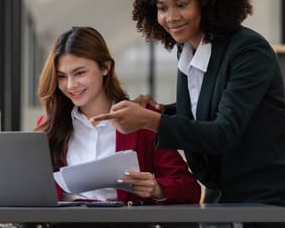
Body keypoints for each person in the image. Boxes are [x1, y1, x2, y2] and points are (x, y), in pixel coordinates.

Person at [91, 0, 285, 228]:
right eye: (162, 8)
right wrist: (158, 110)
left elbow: (223, 132)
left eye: (181, 4)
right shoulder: (189, 52)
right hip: (224, 197)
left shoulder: (248, 51)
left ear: (208, 1)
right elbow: (202, 108)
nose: (171, 17)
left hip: (266, 199)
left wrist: (150, 120)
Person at [34, 26, 201, 227]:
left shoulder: (142, 119)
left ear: (105, 67)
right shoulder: (49, 126)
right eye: (61, 76)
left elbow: (189, 188)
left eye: (79, 73)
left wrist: (156, 188)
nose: (70, 85)